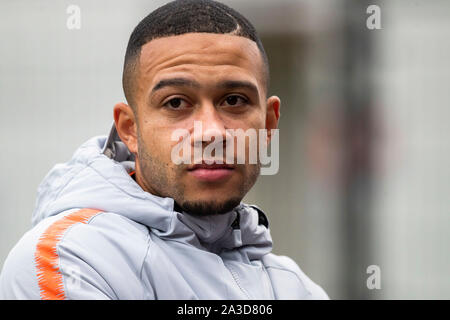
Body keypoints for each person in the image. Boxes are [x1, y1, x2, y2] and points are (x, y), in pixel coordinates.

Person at [0, 0, 328, 300]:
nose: (211, 132)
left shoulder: (295, 287)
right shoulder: (69, 258)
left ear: (269, 125)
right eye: (176, 103)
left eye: (234, 100)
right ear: (130, 129)